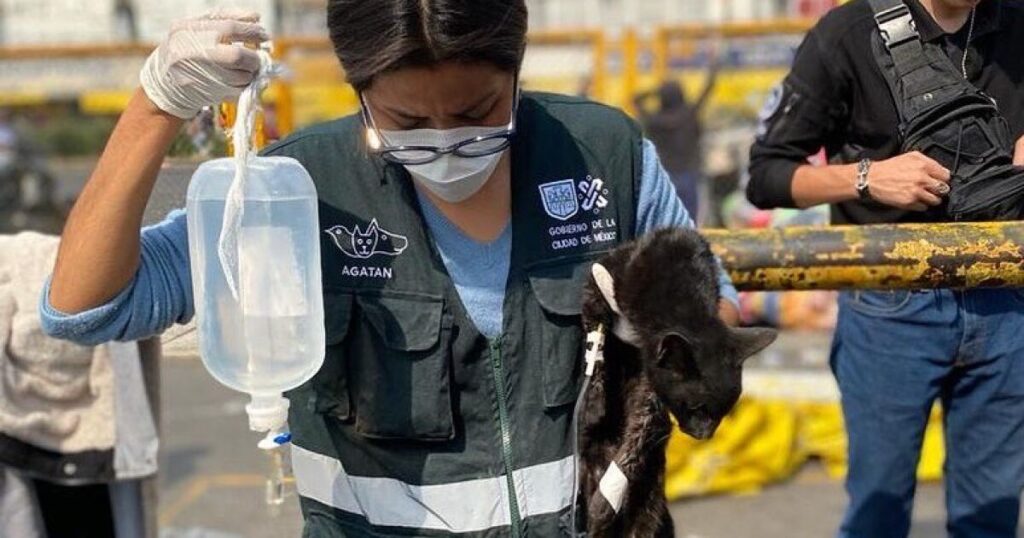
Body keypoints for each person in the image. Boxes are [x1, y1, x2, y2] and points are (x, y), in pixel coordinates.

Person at [41, 3, 740, 536]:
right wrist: (155, 104)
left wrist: (694, 344)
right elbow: (85, 308)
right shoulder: (296, 188)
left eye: (476, 112)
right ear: (360, 91)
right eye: (406, 121)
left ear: (517, 71)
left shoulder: (601, 158)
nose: (446, 142)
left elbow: (712, 319)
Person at [747, 1, 1024, 537]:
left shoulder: (1017, 24)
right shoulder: (847, 34)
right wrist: (866, 178)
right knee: (877, 513)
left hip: (1004, 297)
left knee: (991, 517)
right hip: (890, 306)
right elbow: (768, 174)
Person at [633, 55, 721, 220]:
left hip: (665, 175)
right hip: (690, 173)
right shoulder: (689, 114)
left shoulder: (655, 121)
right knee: (690, 221)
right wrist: (714, 64)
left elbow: (636, 100)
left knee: (665, 222)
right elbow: (707, 89)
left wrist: (656, 91)